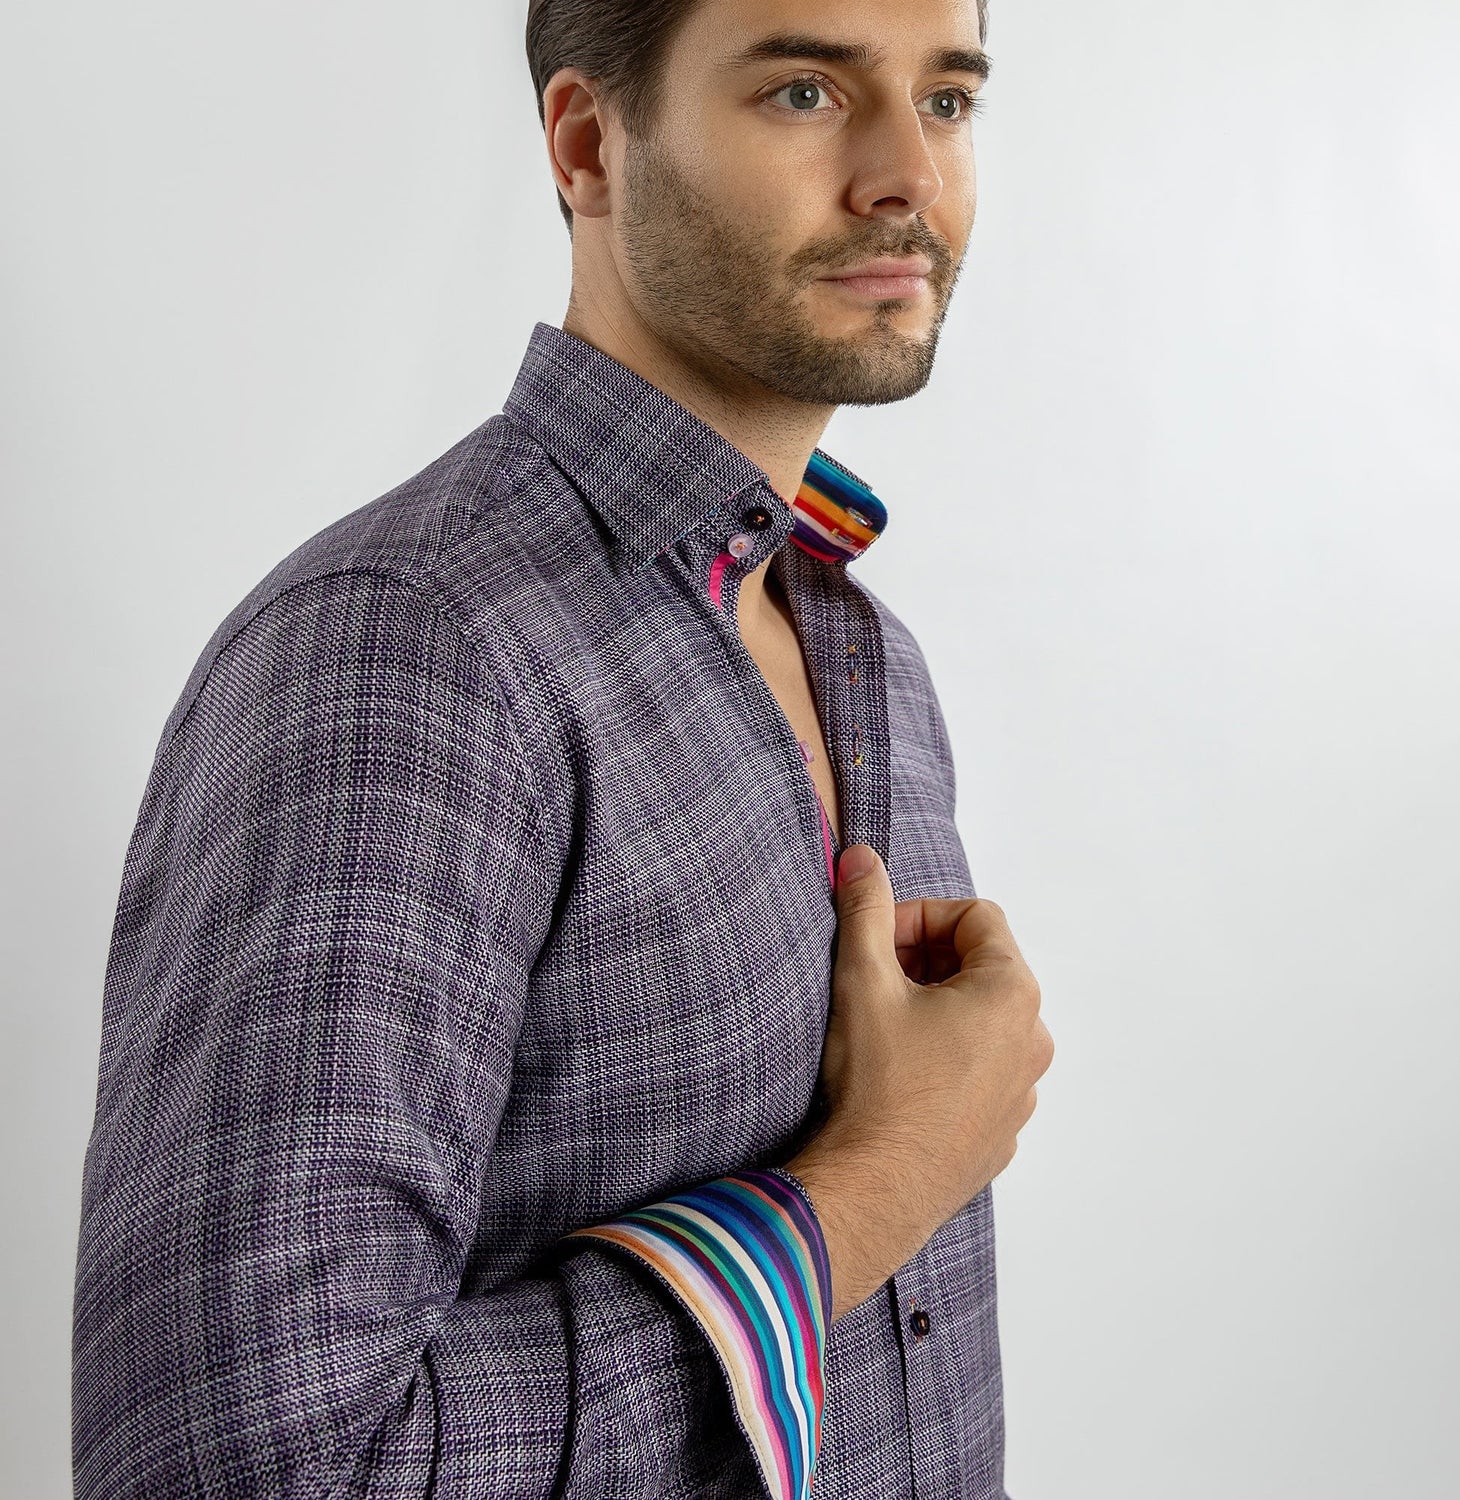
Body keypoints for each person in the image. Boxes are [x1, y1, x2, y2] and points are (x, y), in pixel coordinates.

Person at [71, 0, 1054, 1496]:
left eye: (949, 99)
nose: (907, 176)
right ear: (590, 144)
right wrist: (879, 1184)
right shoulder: (408, 653)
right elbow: (253, 1470)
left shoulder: (866, 653)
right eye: (804, 91)